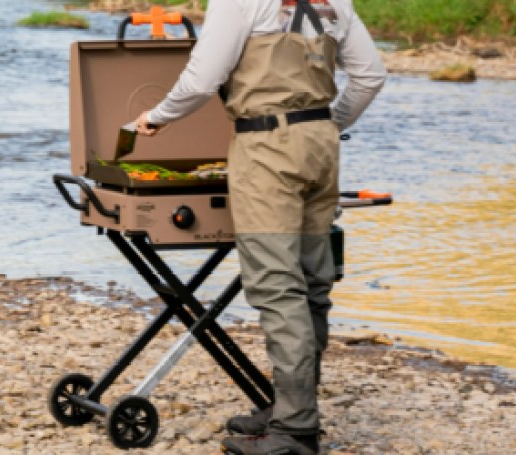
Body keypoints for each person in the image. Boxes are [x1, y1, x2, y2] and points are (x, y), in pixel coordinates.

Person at [135, 0, 386, 453]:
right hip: (322, 149)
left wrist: (155, 117)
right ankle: (291, 408)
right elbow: (370, 76)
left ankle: (294, 431)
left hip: (266, 148)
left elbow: (201, 81)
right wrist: (329, 124)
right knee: (312, 284)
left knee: (277, 284)